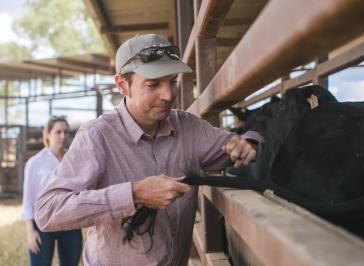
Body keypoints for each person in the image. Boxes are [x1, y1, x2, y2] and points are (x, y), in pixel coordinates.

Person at [34, 34, 263, 266]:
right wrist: (133, 194)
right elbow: (48, 210)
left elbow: (237, 145)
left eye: (172, 81)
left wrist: (248, 144)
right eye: (153, 84)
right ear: (123, 85)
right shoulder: (97, 136)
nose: (168, 95)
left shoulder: (189, 128)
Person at [22, 116, 82, 266]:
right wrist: (30, 232)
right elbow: (28, 200)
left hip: (70, 222)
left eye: (66, 132)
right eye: (58, 132)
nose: (63, 136)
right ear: (47, 134)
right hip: (43, 223)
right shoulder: (35, 163)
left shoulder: (74, 159)